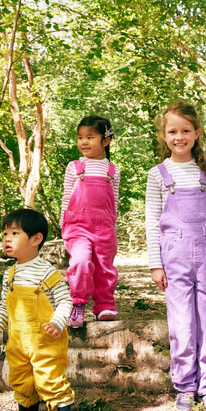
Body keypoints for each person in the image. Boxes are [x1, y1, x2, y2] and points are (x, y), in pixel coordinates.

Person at [145, 102, 206, 411]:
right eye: (172, 131)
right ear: (164, 136)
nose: (179, 137)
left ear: (196, 133)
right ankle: (185, 387)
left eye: (185, 130)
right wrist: (155, 264)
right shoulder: (158, 175)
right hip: (174, 259)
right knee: (181, 323)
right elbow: (152, 222)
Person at [0, 208, 78, 411]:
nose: (7, 238)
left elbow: (65, 301)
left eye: (15, 233)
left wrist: (57, 322)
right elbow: (5, 307)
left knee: (49, 378)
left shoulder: (47, 272)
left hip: (45, 340)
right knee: (21, 378)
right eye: (5, 234)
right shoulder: (10, 274)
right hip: (18, 340)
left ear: (36, 239)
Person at [60, 116, 120, 327]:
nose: (83, 142)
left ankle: (105, 306)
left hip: (105, 227)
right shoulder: (74, 167)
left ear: (106, 140)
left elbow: (114, 200)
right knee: (81, 262)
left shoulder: (112, 170)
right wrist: (64, 222)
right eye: (80, 137)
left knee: (104, 267)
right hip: (77, 226)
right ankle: (78, 304)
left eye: (90, 137)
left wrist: (112, 223)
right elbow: (66, 197)